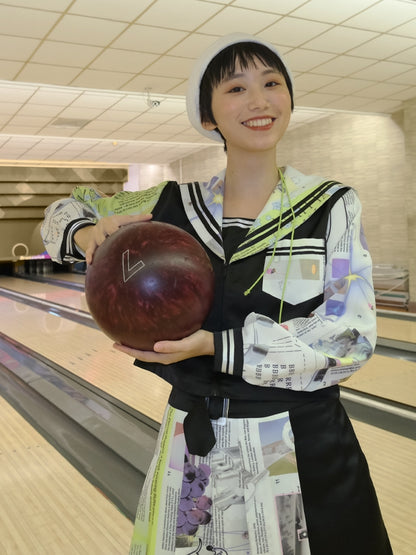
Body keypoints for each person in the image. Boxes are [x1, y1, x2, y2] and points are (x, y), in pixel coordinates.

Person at [41, 33, 392, 555]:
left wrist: (216, 345)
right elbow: (64, 210)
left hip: (304, 442)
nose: (259, 100)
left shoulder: (332, 205)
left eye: (272, 83)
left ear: (289, 100)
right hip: (197, 444)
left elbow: (349, 334)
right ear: (208, 116)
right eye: (236, 88)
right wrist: (84, 232)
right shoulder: (169, 202)